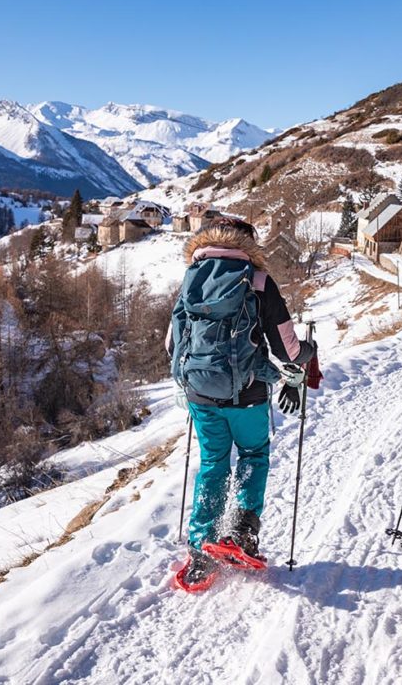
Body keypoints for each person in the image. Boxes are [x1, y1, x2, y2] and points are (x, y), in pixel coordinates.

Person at [167, 216, 315, 591]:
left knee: (214, 463)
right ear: (249, 245)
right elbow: (288, 349)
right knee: (253, 454)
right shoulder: (259, 281)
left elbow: (172, 343)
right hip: (246, 394)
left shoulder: (191, 278)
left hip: (199, 392)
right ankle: (240, 533)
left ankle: (201, 548)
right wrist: (308, 354)